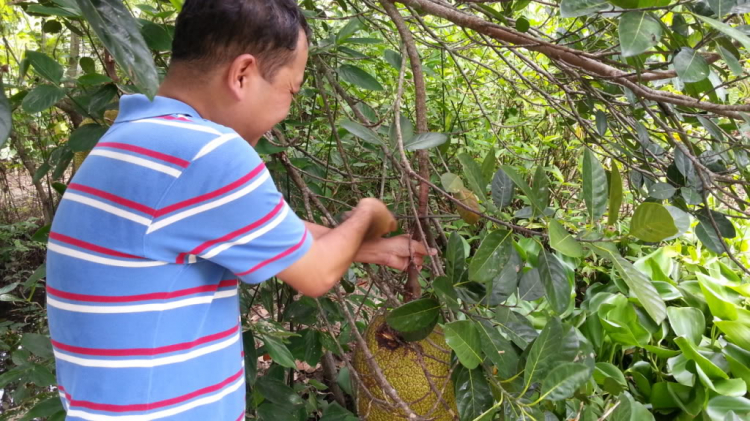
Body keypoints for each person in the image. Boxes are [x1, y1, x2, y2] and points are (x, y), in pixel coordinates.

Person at [45, 1, 433, 419]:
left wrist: (367, 247)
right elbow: (317, 274)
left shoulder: (135, 137)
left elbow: (264, 233)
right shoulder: (209, 152)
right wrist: (366, 214)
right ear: (243, 74)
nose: (284, 113)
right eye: (291, 90)